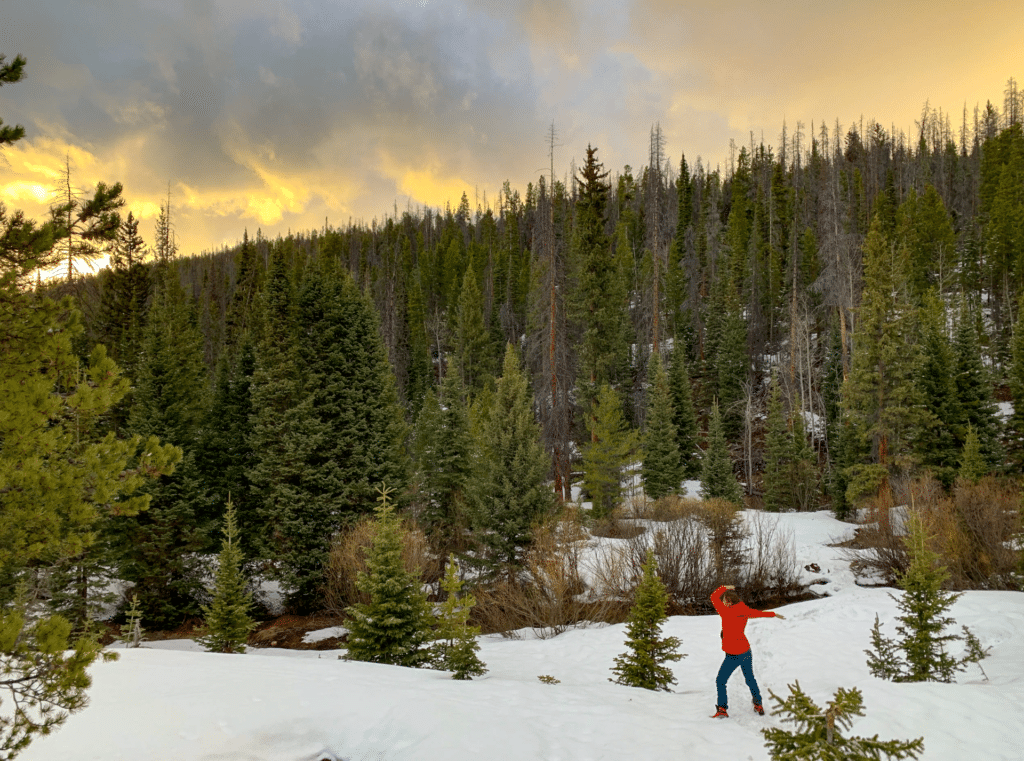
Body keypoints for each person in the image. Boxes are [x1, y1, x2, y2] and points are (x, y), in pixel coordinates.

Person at [709, 584, 785, 718]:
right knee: (750, 678)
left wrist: (724, 587)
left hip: (732, 655)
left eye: (725, 600)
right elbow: (759, 613)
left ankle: (722, 709)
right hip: (745, 652)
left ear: (729, 602)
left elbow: (714, 596)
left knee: (720, 680)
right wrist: (774, 614)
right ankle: (758, 704)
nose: (723, 602)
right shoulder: (744, 610)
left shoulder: (725, 611)